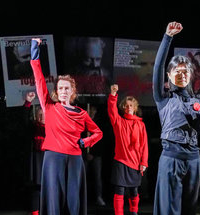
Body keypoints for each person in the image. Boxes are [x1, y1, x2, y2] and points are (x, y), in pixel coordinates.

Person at [30, 38, 103, 215]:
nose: (63, 91)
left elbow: (98, 132)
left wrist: (85, 142)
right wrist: (35, 50)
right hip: (53, 158)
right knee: (54, 201)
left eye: (66, 88)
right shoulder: (50, 106)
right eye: (60, 88)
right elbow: (39, 79)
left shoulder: (81, 113)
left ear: (72, 91)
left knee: (73, 202)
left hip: (75, 159)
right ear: (57, 91)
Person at [152, 22, 200, 215]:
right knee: (168, 210)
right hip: (171, 160)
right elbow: (158, 66)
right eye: (178, 71)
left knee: (188, 210)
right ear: (169, 75)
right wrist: (168, 37)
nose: (183, 74)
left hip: (194, 161)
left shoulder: (197, 103)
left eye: (186, 71)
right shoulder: (164, 98)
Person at [108, 84, 148, 215]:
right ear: (123, 107)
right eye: (126, 105)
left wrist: (143, 163)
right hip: (121, 161)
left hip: (135, 163)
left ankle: (133, 213)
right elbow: (111, 110)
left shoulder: (140, 125)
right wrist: (113, 95)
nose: (128, 107)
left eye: (131, 105)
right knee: (119, 191)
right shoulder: (118, 122)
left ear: (135, 108)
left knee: (134, 191)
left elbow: (144, 146)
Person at [23, 92, 45, 215]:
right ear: (36, 116)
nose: (42, 117)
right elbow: (24, 118)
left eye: (44, 114)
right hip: (36, 163)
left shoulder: (52, 128)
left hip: (49, 163)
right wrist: (28, 102)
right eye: (39, 114)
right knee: (36, 191)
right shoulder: (32, 127)